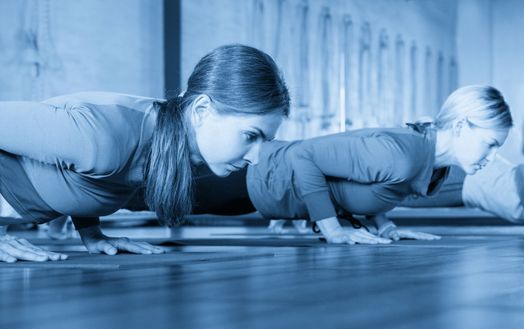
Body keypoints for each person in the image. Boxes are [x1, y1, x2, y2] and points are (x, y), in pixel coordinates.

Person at [61, 85, 513, 246]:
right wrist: (333, 229)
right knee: (136, 191)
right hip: (252, 178)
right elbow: (303, 156)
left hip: (257, 196)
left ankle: (74, 209)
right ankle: (56, 193)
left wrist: (383, 226)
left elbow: (355, 186)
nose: (492, 156)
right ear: (466, 124)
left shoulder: (421, 159)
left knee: (141, 195)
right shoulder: (404, 151)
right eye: (491, 143)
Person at [0, 44, 290, 263]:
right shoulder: (98, 136)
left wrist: (92, 235)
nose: (256, 157)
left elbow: (82, 177)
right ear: (202, 110)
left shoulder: (168, 141)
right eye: (251, 136)